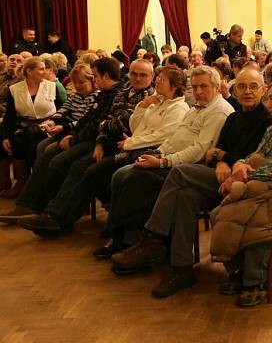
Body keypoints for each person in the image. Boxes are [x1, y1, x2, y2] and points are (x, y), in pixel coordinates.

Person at [106, 70, 272, 302]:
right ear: (234, 90)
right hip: (219, 177)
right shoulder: (234, 118)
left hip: (245, 183)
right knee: (185, 196)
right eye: (242, 87)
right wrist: (221, 159)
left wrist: (223, 158)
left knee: (177, 173)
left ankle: (152, 238)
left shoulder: (267, 121)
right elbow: (214, 153)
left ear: (263, 89)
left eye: (253, 86)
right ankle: (182, 268)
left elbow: (252, 156)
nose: (247, 92)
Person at [16, 66, 189, 238]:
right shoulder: (149, 99)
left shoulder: (173, 106)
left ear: (171, 85)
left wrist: (127, 141)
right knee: (62, 158)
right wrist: (141, 108)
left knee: (81, 167)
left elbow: (148, 132)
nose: (137, 78)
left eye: (146, 76)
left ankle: (60, 215)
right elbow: (133, 125)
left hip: (136, 148)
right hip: (118, 143)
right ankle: (52, 213)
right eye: (134, 74)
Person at [96, 66, 234, 255]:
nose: (198, 91)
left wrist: (162, 161)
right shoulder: (197, 108)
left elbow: (199, 151)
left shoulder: (218, 111)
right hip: (167, 156)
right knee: (121, 174)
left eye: (204, 86)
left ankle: (126, 239)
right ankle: (124, 236)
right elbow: (174, 137)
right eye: (194, 87)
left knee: (133, 177)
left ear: (217, 87)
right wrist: (158, 153)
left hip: (187, 167)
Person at [0, 57, 125, 223]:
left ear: (105, 76)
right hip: (83, 134)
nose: (93, 80)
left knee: (57, 158)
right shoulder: (105, 94)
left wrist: (73, 137)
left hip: (99, 140)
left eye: (94, 76)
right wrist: (66, 130)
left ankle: (50, 209)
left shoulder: (114, 94)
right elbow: (85, 118)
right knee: (43, 148)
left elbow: (99, 125)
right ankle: (32, 204)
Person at [0, 57, 62, 196]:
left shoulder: (52, 86)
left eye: (45, 68)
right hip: (24, 126)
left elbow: (64, 110)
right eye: (41, 69)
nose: (45, 71)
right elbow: (9, 116)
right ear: (29, 71)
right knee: (16, 140)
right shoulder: (14, 89)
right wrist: (5, 137)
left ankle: (38, 186)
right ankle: (22, 182)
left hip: (49, 127)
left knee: (32, 140)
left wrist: (55, 123)